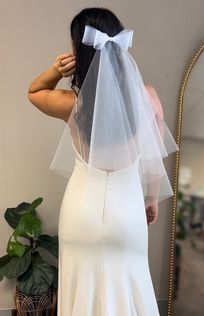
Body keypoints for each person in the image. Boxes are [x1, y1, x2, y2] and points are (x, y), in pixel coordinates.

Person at [28, 7, 178, 316]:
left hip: (81, 210)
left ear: (79, 52)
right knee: (131, 284)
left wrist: (57, 69)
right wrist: (151, 201)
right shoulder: (148, 97)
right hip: (128, 212)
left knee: (82, 285)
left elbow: (34, 91)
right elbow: (153, 156)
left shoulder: (72, 104)